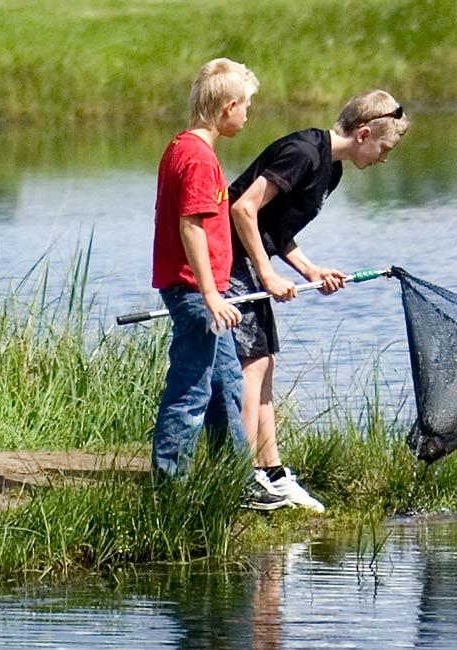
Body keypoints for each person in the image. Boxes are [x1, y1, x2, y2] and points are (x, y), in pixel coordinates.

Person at [228, 90, 410, 512]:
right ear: (364, 134)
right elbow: (242, 208)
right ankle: (240, 479)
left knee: (266, 361)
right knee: (251, 366)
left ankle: (271, 473)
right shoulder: (304, 153)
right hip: (227, 257)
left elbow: (274, 226)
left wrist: (309, 270)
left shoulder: (332, 170)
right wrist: (269, 273)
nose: (385, 158)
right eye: (384, 149)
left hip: (250, 258)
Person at [150, 58, 287, 509]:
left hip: (209, 293)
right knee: (190, 389)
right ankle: (170, 491)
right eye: (245, 105)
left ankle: (234, 483)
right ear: (228, 107)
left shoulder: (181, 146)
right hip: (196, 294)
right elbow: (190, 225)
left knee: (227, 385)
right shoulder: (197, 158)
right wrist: (210, 295)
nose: (248, 114)